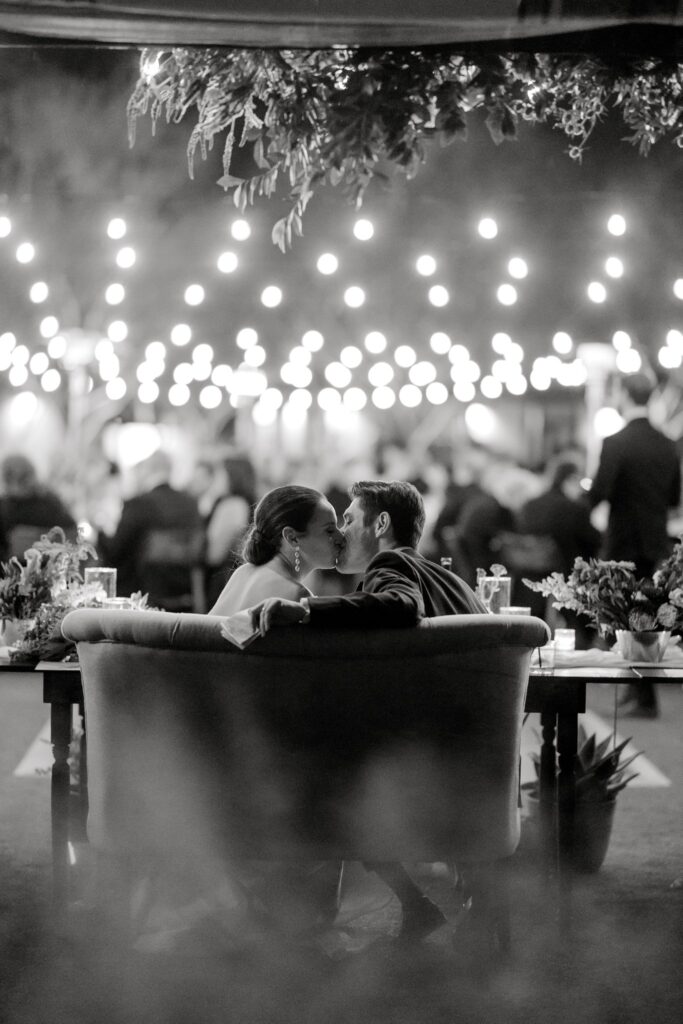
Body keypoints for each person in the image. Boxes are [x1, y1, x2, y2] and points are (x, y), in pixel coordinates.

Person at [246, 479, 487, 940]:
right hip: (473, 757)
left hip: (421, 763)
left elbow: (399, 606)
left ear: (381, 524)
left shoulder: (390, 563)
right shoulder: (453, 581)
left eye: (350, 520)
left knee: (323, 766)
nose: (341, 535)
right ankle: (422, 905)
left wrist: (308, 613)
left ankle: (289, 917)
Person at [589, 372, 682, 715]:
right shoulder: (666, 443)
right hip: (654, 542)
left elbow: (600, 492)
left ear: (625, 395)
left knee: (622, 616)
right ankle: (638, 689)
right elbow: (673, 496)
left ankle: (641, 695)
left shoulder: (615, 441)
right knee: (646, 617)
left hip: (623, 543)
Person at [210, 484, 343, 615]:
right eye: (330, 530)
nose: (341, 537)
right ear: (292, 538)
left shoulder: (243, 572)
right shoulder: (298, 596)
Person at [99, 449, 203, 609]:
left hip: (141, 594)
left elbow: (115, 552)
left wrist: (99, 529)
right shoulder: (191, 503)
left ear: (147, 470)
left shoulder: (139, 504)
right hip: (185, 591)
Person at [0, 453, 76, 561]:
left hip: (47, 568)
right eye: (11, 476)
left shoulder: (49, 503)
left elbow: (71, 533)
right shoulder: (4, 506)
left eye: (23, 477)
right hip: (11, 569)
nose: (17, 482)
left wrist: (40, 539)